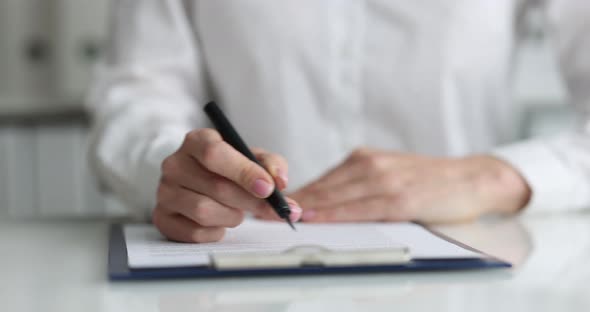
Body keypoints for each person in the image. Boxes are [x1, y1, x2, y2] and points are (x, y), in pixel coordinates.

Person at [87, 1, 590, 243]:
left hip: (475, 251)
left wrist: (496, 177)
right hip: (240, 261)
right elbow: (137, 90)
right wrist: (169, 167)